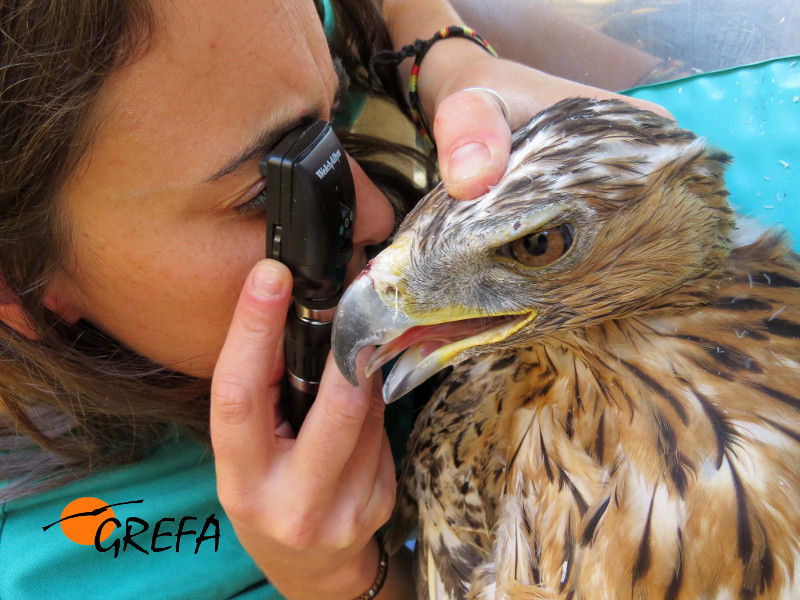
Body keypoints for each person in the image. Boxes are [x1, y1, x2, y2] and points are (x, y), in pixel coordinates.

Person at [0, 0, 670, 598]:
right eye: (274, 194)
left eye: (335, 115)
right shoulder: (56, 572)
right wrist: (345, 583)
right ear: (23, 280)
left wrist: (441, 57)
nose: (381, 217)